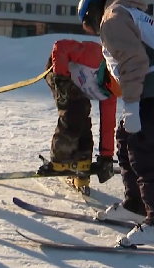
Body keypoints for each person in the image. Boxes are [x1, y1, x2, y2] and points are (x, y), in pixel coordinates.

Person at [77, 0, 154, 247]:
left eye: (89, 26)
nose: (94, 31)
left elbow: (134, 62)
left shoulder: (111, 19)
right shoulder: (127, 12)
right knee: (126, 138)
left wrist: (131, 107)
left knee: (142, 146)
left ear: (93, 11)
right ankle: (136, 205)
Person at [37, 39, 122, 191]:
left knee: (83, 113)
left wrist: (106, 157)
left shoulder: (110, 95)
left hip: (79, 84)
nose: (107, 92)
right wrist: (61, 78)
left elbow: (108, 126)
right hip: (58, 70)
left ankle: (82, 161)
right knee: (74, 110)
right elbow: (60, 46)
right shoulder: (94, 56)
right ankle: (61, 159)